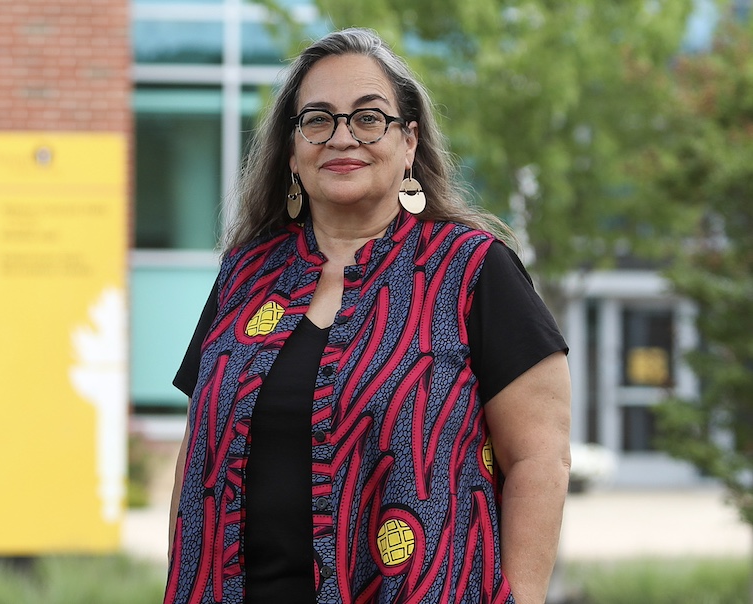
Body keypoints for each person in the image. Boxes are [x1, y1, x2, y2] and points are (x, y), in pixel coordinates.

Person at [164, 27, 571, 604]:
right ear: (292, 150)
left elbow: (541, 458)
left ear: (408, 142)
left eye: (368, 117)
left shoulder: (474, 272)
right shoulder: (245, 275)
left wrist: (521, 597)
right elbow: (195, 460)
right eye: (318, 119)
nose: (342, 137)